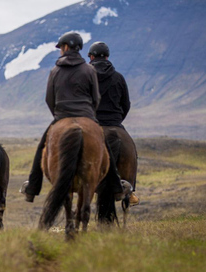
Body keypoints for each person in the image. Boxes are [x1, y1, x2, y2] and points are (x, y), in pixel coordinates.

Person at [21, 32, 123, 201]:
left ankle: (32, 188)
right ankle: (116, 187)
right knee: (106, 147)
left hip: (62, 115)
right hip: (86, 115)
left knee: (42, 147)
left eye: (61, 47)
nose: (61, 50)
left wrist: (58, 116)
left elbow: (49, 98)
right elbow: (95, 97)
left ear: (66, 47)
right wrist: (89, 114)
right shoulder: (89, 69)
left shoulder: (55, 70)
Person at [88, 41, 139, 205]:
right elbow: (126, 104)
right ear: (108, 57)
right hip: (115, 124)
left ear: (91, 56)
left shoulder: (86, 76)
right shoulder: (119, 77)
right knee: (132, 150)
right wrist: (116, 121)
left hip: (92, 124)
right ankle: (131, 192)